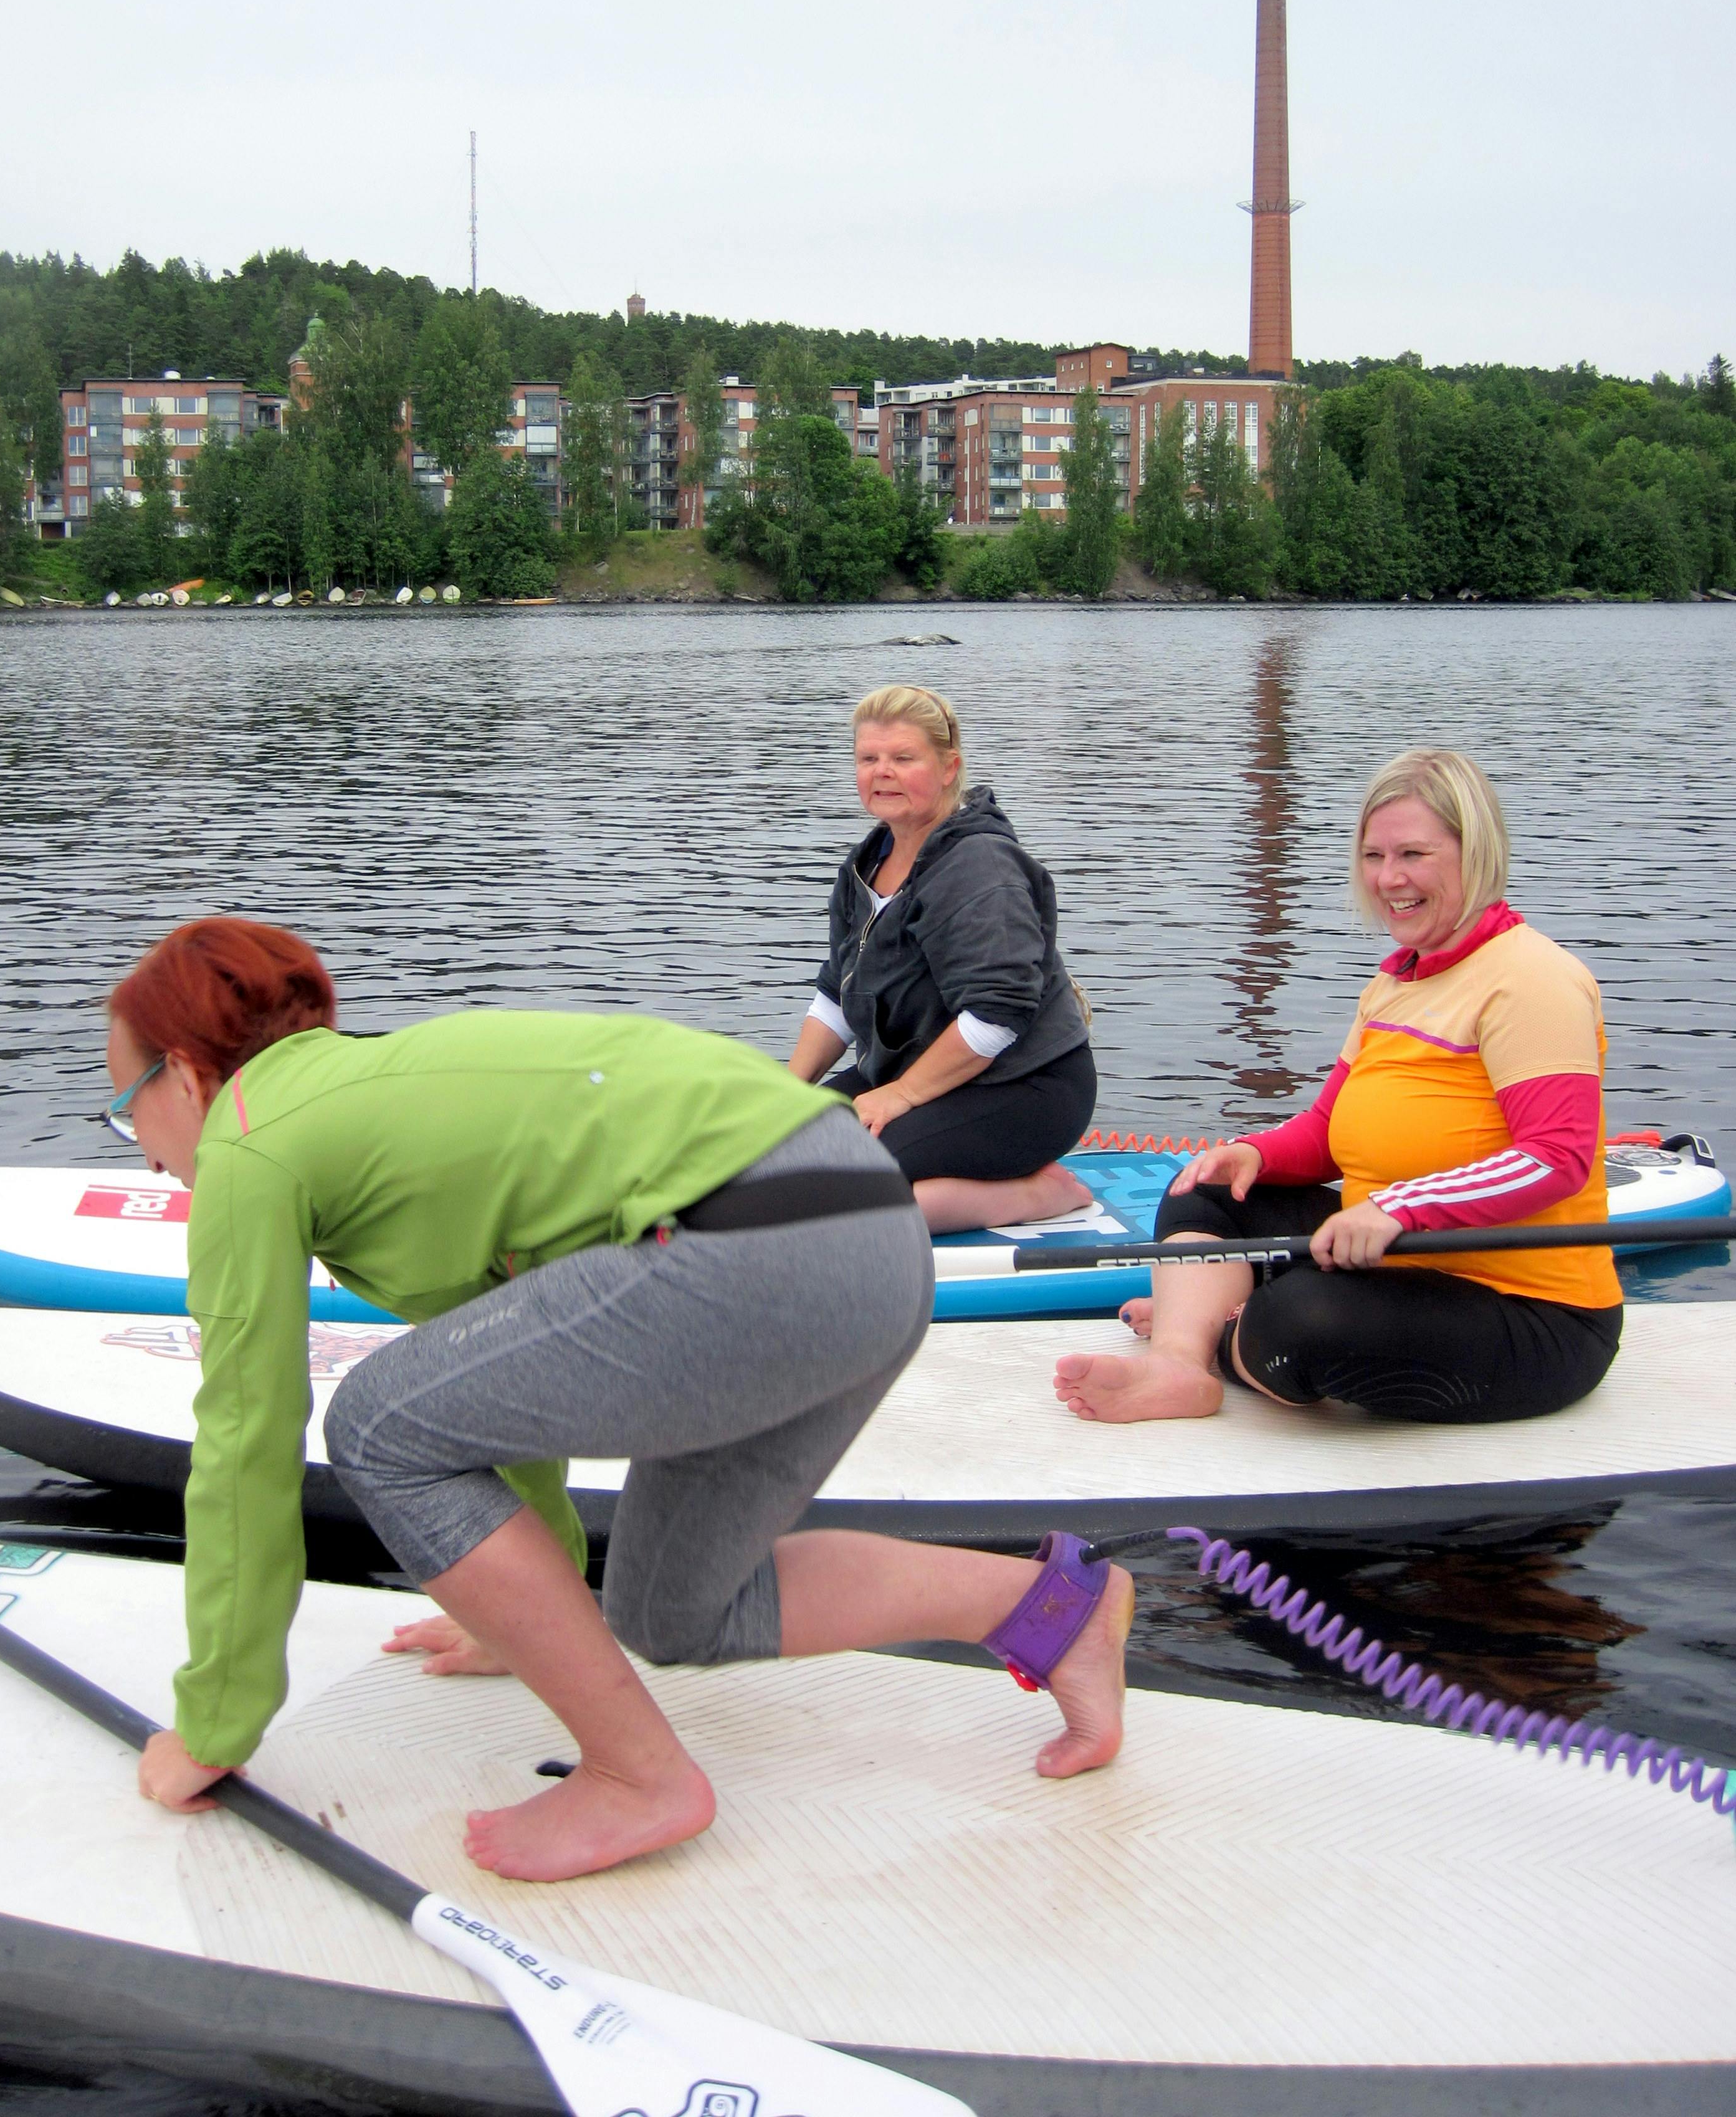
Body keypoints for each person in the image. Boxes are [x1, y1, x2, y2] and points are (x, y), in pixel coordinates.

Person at [115, 917, 1133, 1883]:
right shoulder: (385, 1092)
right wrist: (520, 1608)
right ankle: (1054, 1610)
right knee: (673, 1608)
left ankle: (638, 1778)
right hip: (876, 1234)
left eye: (129, 1108)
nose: (146, 1155)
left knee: (375, 1427)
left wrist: (214, 1725)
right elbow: (502, 1364)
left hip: (753, 1243)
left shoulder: (249, 1144)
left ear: (189, 1076)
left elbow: (246, 1440)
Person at [1054, 748, 1623, 1427]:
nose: (1389, 878)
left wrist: (1399, 1209)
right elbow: (1329, 1130)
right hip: (1395, 1262)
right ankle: (1182, 1361)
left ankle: (1218, 1322)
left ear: (1475, 852)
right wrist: (1257, 1153)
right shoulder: (1397, 981)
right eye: (1374, 856)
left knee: (1302, 1320)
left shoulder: (1533, 980)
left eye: (1413, 854)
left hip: (1533, 1312)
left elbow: (1556, 1157)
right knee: (1203, 1189)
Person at [788, 683, 1099, 1234]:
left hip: (1024, 1088)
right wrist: (783, 1097)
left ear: (949, 767)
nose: (882, 772)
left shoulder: (981, 866)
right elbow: (837, 995)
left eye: (903, 758)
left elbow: (998, 1014)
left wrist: (900, 1096)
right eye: (868, 758)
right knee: (774, 1154)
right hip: (917, 1075)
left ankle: (1038, 1194)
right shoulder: (864, 865)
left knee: (850, 1192)